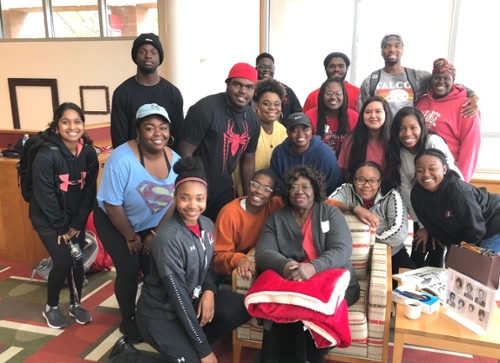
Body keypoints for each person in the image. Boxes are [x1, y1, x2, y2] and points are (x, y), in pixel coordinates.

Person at [106, 157, 251, 363]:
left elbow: (208, 267)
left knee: (244, 306)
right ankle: (127, 357)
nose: (193, 205)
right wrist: (203, 351)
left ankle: (187, 347)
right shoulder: (167, 238)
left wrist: (209, 291)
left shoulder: (208, 225)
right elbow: (178, 297)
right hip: (160, 314)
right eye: (185, 198)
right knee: (196, 359)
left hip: (192, 300)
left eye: (199, 198)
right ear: (174, 198)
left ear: (206, 198)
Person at [255, 165, 360, 363]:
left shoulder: (331, 214)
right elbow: (263, 252)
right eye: (294, 187)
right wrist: (286, 265)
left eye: (305, 187)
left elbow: (342, 249)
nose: (299, 191)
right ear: (287, 191)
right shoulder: (277, 218)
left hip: (329, 280)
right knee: (283, 308)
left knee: (307, 310)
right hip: (292, 280)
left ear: (315, 190)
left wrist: (313, 267)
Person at [95, 103, 180, 342]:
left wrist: (155, 232)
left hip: (152, 222)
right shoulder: (121, 159)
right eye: (149, 127)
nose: (157, 133)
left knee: (153, 269)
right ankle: (127, 319)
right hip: (115, 220)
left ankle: (150, 314)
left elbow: (175, 200)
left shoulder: (176, 161)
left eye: (162, 127)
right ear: (138, 131)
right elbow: (112, 204)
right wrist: (130, 237)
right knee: (130, 270)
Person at [30, 102, 98, 329]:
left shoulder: (88, 152)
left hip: (73, 221)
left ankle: (76, 303)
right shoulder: (46, 155)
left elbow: (89, 190)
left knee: (77, 259)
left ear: (83, 125)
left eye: (77, 121)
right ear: (57, 126)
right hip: (48, 219)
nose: (72, 126)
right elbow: (44, 195)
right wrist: (61, 227)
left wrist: (78, 222)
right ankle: (51, 306)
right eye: (65, 121)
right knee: (62, 260)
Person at [178, 62, 261, 222]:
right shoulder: (205, 110)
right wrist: (192, 187)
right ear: (228, 84)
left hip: (223, 189)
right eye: (237, 84)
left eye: (249, 87)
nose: (243, 91)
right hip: (197, 188)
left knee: (219, 235)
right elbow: (184, 152)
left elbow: (248, 161)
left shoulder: (253, 120)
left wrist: (246, 197)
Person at [386, 106, 462, 267]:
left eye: (413, 128)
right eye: (402, 129)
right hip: (422, 209)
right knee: (418, 249)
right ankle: (409, 289)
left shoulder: (433, 142)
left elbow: (449, 180)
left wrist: (434, 227)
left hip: (448, 206)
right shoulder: (400, 153)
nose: (407, 134)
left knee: (438, 251)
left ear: (422, 127)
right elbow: (406, 190)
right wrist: (423, 225)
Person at [328, 161, 415, 280]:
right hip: (350, 253)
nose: (367, 185)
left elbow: (399, 233)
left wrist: (367, 245)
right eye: (361, 180)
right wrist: (355, 208)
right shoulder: (346, 190)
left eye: (373, 181)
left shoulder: (391, 195)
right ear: (354, 180)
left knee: (408, 285)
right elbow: (326, 206)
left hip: (389, 252)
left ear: (379, 182)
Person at [358, 34, 478, 118]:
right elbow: (361, 113)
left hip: (407, 139)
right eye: (387, 46)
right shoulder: (370, 81)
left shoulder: (417, 77)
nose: (392, 49)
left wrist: (474, 97)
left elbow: (446, 84)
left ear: (402, 50)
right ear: (381, 52)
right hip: (381, 141)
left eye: (397, 45)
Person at [411, 149, 500, 258]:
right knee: (453, 263)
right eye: (420, 170)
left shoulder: (458, 192)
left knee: (479, 264)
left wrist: (461, 250)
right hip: (472, 230)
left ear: (444, 169)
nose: (426, 174)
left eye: (432, 169)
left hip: (494, 223)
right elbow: (431, 224)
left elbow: (476, 228)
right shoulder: (416, 194)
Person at [111, 33, 184, 151]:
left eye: (153, 52)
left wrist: (168, 162)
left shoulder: (173, 93)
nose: (148, 56)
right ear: (135, 57)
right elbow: (119, 138)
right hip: (132, 162)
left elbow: (177, 135)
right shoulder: (122, 93)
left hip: (165, 163)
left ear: (159, 58)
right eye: (142, 52)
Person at [416, 58, 481, 182]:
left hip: (448, 175)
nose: (441, 82)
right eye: (437, 77)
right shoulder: (421, 102)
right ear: (431, 79)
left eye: (446, 78)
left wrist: (461, 181)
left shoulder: (466, 106)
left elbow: (471, 147)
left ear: (453, 81)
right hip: (422, 173)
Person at [213, 169, 283, 278]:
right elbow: (218, 256)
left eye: (266, 189)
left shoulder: (274, 205)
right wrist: (239, 260)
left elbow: (298, 204)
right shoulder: (229, 213)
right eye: (255, 185)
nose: (259, 191)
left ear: (271, 195)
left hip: (260, 261)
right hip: (235, 271)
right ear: (248, 185)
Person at [232, 78, 288, 197]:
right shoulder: (247, 128)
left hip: (273, 193)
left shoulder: (282, 130)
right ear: (257, 105)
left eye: (277, 104)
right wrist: (247, 196)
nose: (272, 108)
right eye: (266, 104)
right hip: (249, 192)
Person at [270, 112, 342, 195]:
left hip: (320, 203)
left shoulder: (325, 153)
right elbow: (276, 186)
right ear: (288, 133)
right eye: (294, 130)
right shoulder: (279, 152)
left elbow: (333, 189)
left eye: (305, 128)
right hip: (286, 203)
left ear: (311, 130)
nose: (300, 134)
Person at [338, 96, 392, 182]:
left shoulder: (394, 140)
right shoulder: (352, 140)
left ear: (386, 114)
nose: (373, 116)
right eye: (368, 112)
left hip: (387, 190)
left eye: (378, 111)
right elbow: (344, 171)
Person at [306, 77, 358, 158]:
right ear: (322, 95)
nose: (333, 97)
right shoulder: (310, 116)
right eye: (329, 93)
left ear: (344, 95)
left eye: (338, 93)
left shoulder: (354, 117)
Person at [255, 52, 302, 120]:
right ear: (256, 68)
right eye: (263, 67)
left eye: (270, 67)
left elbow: (298, 114)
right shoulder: (251, 89)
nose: (267, 70)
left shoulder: (286, 90)